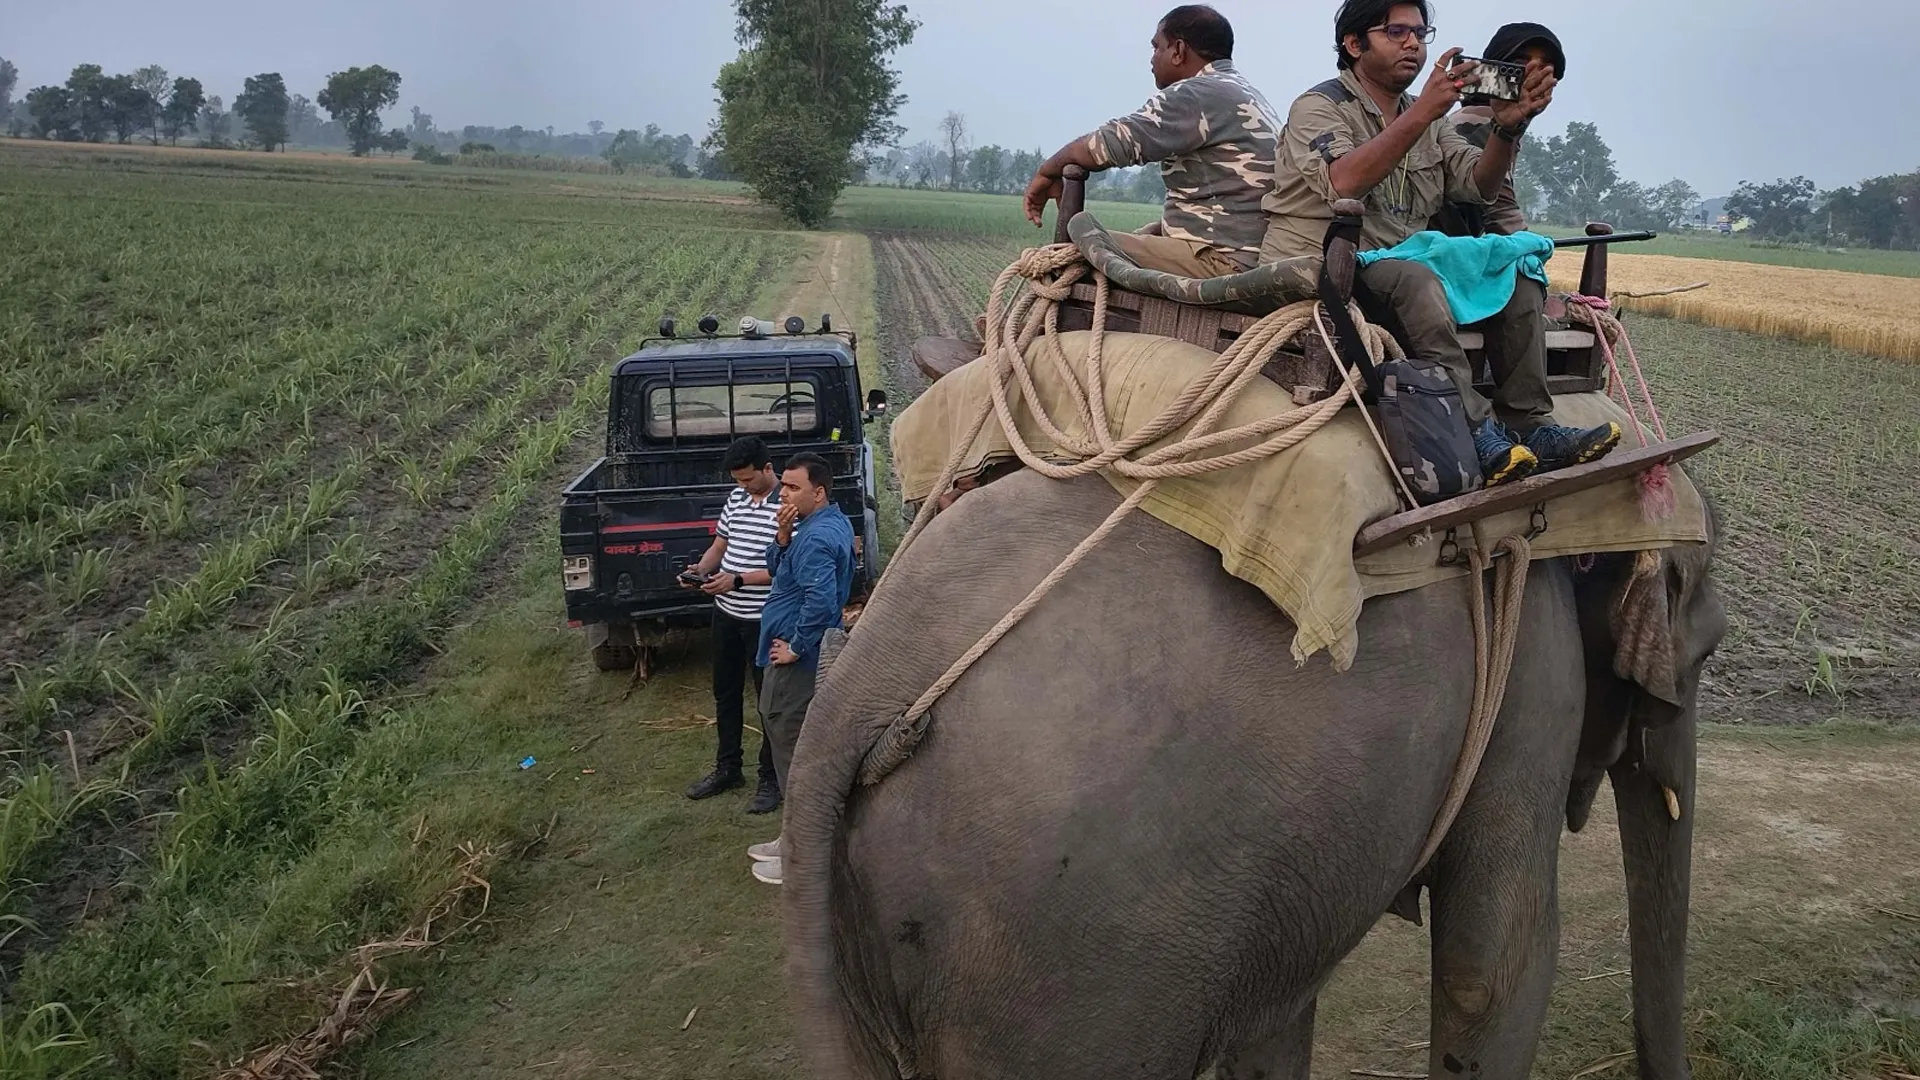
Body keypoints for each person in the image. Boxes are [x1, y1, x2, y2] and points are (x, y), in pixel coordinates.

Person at [1260, 0, 1620, 485]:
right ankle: (1475, 428)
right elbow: (1343, 181)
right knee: (1415, 277)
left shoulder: (1427, 117)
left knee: (1515, 268)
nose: (1413, 43)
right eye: (1395, 31)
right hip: (1326, 263)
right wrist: (1426, 112)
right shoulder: (1320, 106)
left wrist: (1507, 127)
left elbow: (1478, 184)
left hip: (1402, 263)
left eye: (1420, 32)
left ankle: (1531, 423)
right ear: (1353, 44)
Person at [1022, 4, 1281, 279]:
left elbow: (1105, 146)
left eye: (1157, 47)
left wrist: (1046, 171)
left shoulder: (1195, 94)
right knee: (1142, 233)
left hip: (1221, 263)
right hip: (1248, 256)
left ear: (1178, 51)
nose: (1152, 59)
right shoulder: (1245, 93)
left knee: (1077, 237)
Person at [745, 452, 856, 886]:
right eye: (784, 486)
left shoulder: (816, 539)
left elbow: (823, 601)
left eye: (792, 487)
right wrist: (783, 533)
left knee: (793, 750)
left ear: (819, 491)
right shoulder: (810, 528)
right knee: (784, 743)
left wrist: (794, 645)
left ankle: (805, 859)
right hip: (789, 651)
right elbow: (777, 569)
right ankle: (792, 838)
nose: (782, 493)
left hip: (798, 663)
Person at [681, 437, 785, 813]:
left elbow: (787, 570)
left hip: (764, 618)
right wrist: (702, 570)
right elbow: (720, 545)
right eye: (738, 480)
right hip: (726, 613)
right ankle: (728, 768)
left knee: (768, 702)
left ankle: (771, 778)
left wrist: (738, 580)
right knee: (724, 695)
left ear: (768, 468)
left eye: (749, 479)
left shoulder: (789, 505)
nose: (743, 486)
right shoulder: (736, 498)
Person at [1430, 22, 1567, 237]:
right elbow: (1502, 216)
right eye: (1521, 64)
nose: (1534, 74)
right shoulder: (1480, 121)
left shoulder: (1492, 121)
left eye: (1545, 68)